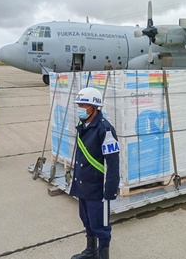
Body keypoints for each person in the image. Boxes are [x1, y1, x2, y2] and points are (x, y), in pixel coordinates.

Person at [71, 87, 120, 259]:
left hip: (98, 188)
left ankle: (103, 254)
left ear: (94, 107)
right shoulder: (83, 125)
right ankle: (91, 251)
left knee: (101, 225)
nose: (80, 108)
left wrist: (110, 190)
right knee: (87, 220)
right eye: (79, 104)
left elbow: (112, 163)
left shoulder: (104, 129)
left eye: (83, 105)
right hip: (83, 184)